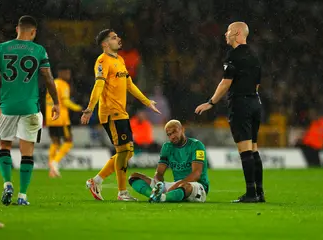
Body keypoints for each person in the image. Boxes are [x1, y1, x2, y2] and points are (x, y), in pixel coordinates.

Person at [81, 29, 161, 201]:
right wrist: (90, 108)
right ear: (104, 44)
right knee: (124, 151)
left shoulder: (120, 60)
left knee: (128, 152)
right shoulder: (102, 60)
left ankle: (96, 180)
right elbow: (98, 85)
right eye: (113, 37)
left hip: (122, 112)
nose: (118, 39)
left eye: (117, 36)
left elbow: (129, 84)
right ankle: (122, 192)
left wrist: (147, 102)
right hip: (111, 112)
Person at [0, 15, 60, 205]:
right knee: (26, 153)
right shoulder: (38, 50)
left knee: (4, 146)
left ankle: (7, 184)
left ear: (17, 29)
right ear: (34, 32)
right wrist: (56, 102)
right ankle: (22, 196)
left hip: (8, 107)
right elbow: (48, 78)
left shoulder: (1, 48)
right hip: (30, 107)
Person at [195, 22, 264, 203]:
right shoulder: (255, 55)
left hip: (241, 104)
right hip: (256, 103)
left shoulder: (233, 55)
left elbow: (226, 82)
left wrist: (211, 102)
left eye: (228, 31)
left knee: (245, 151)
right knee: (254, 149)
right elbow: (257, 84)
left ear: (237, 33)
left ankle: (250, 194)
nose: (225, 34)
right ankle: (260, 192)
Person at [128, 120, 209, 203]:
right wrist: (159, 185)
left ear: (182, 129)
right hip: (176, 187)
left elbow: (196, 174)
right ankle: (153, 195)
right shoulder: (167, 147)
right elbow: (159, 173)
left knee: (185, 186)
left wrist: (174, 187)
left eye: (174, 132)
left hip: (196, 186)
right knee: (134, 176)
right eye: (169, 134)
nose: (172, 136)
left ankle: (163, 198)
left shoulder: (196, 145)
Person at [46, 64, 82, 177]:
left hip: (50, 117)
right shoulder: (64, 85)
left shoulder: (51, 83)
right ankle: (55, 162)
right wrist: (78, 108)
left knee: (55, 142)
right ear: (61, 73)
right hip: (61, 118)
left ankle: (52, 169)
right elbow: (65, 102)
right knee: (68, 141)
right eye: (67, 73)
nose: (68, 75)